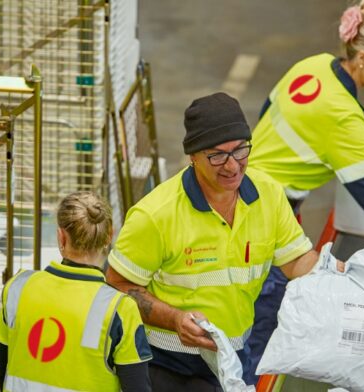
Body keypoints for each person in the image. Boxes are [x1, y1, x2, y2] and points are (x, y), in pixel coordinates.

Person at [244, 0, 364, 381]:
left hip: (251, 189)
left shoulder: (313, 65)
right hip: (269, 211)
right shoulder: (343, 116)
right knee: (265, 315)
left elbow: (267, 112)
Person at [106, 92, 343, 390]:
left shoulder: (267, 194)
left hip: (231, 357)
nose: (232, 166)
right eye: (217, 155)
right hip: (166, 363)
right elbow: (118, 285)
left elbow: (295, 260)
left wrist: (344, 278)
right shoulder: (155, 215)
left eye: (240, 150)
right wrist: (175, 319)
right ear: (192, 156)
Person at [0, 191, 152, 391]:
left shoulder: (18, 288)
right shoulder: (119, 309)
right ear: (109, 235)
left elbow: (3, 371)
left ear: (61, 236)